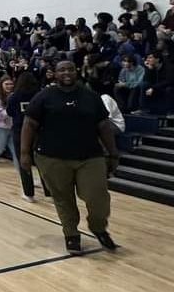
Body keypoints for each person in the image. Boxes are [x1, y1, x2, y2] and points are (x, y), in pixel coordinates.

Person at [21, 61, 120, 254]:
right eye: (62, 69)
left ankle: (98, 227)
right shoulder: (44, 96)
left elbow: (104, 126)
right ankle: (71, 234)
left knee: (97, 197)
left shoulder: (90, 96)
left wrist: (113, 152)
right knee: (63, 199)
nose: (66, 72)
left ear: (77, 72)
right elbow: (29, 124)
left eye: (70, 69)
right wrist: (24, 153)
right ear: (54, 74)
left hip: (90, 156)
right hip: (52, 157)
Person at [7, 71, 42, 200]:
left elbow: (10, 112)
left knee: (23, 161)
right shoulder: (39, 95)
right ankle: (49, 191)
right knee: (41, 161)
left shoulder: (14, 97)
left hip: (19, 131)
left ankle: (29, 193)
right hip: (37, 130)